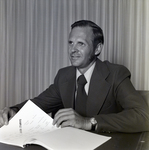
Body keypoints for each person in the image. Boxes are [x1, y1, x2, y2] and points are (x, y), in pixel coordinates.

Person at [0, 20, 148, 133]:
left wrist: (89, 122)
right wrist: (15, 110)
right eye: (70, 43)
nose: (73, 50)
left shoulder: (116, 74)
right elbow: (39, 103)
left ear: (97, 49)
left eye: (81, 44)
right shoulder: (64, 75)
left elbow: (143, 117)